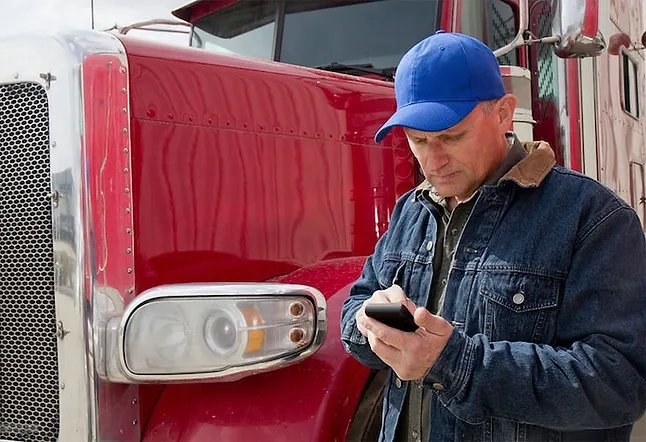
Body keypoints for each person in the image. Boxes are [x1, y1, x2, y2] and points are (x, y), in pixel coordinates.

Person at [340, 30, 646, 442]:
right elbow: (357, 305)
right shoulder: (411, 210)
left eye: (451, 136)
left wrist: (453, 363)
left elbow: (620, 381)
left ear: (504, 113)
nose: (433, 160)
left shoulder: (593, 218)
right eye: (417, 140)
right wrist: (373, 319)